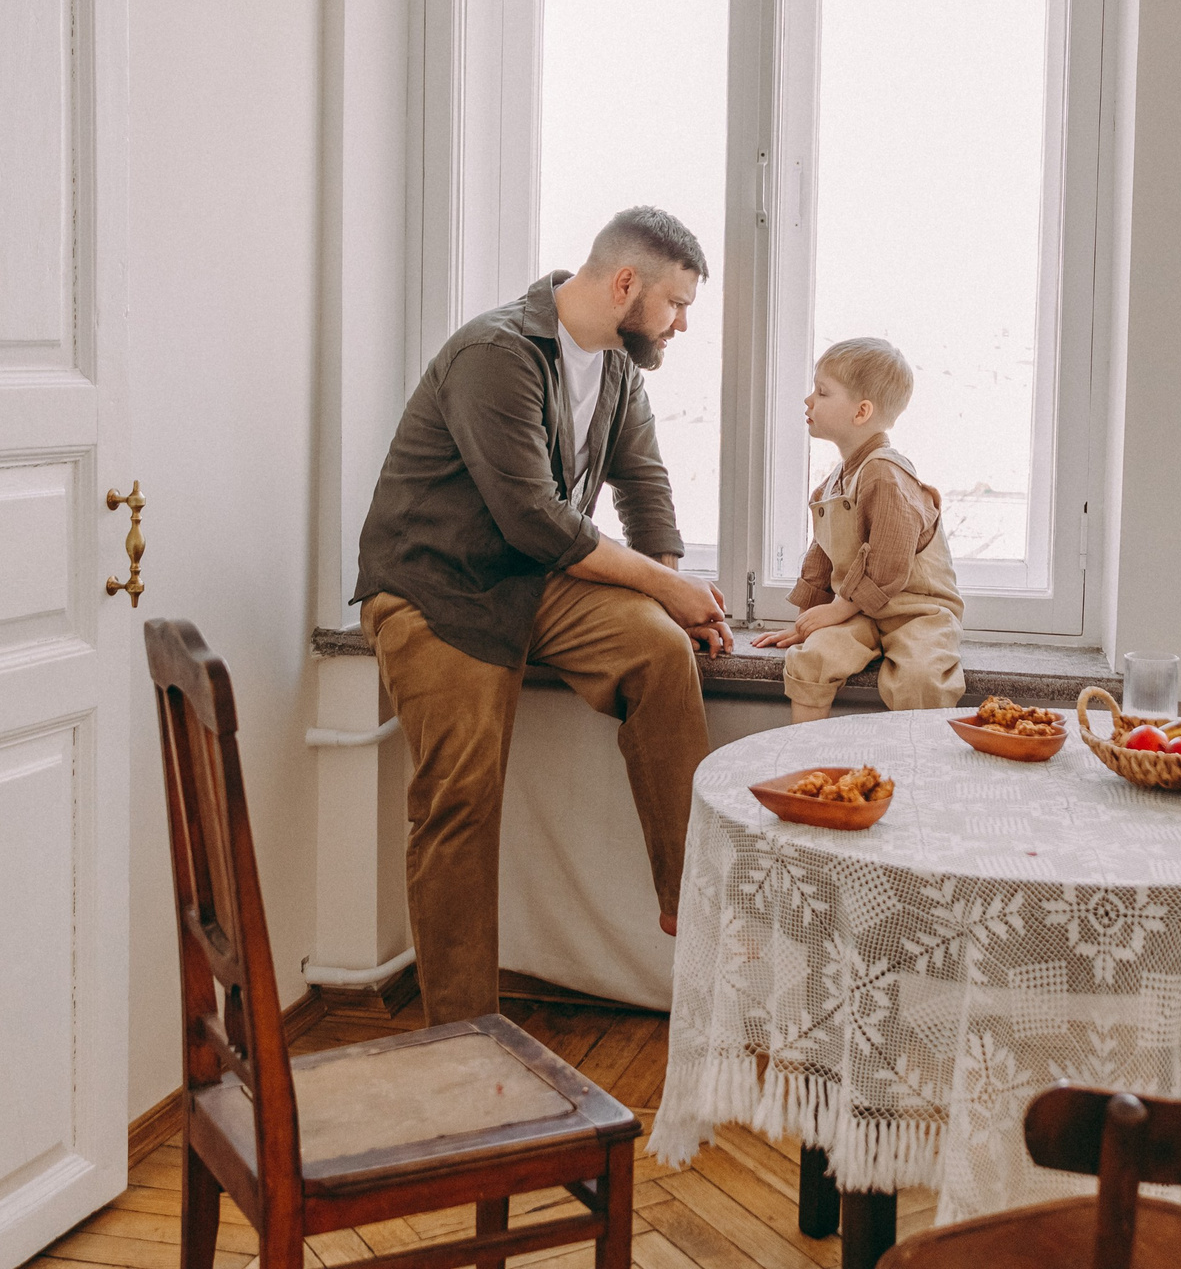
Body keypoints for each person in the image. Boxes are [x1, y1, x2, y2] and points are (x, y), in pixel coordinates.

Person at [353, 206, 732, 1027]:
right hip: (437, 590)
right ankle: (462, 1035)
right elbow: (535, 519)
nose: (683, 323)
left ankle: (687, 898)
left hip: (534, 583)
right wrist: (666, 588)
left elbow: (644, 486)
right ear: (625, 283)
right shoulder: (497, 353)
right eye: (677, 303)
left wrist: (667, 589)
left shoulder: (621, 372)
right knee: (462, 799)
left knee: (661, 652)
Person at [754, 337, 966, 720]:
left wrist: (836, 610)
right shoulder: (833, 482)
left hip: (916, 611)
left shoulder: (886, 474)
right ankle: (809, 764)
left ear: (861, 411)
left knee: (921, 679)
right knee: (811, 659)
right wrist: (807, 620)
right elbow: (821, 556)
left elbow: (887, 563)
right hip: (860, 612)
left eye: (822, 392)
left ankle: (915, 771)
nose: (808, 401)